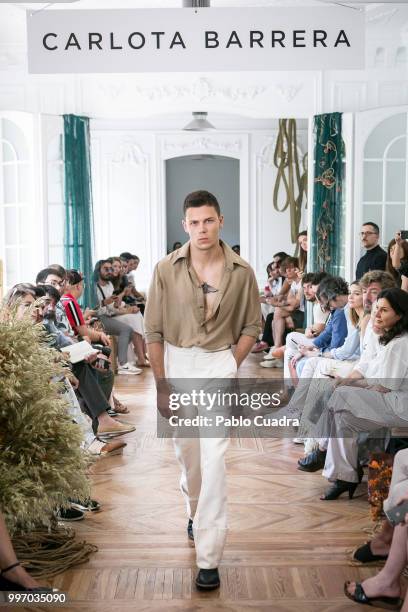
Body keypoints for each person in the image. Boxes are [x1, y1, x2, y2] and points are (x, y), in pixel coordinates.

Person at [144, 190, 261, 592]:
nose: (201, 229)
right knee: (189, 457)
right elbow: (153, 330)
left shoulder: (242, 271)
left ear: (220, 220)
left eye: (208, 220)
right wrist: (161, 386)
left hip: (217, 366)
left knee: (215, 459)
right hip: (176, 365)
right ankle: (194, 512)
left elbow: (252, 325)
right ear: (185, 226)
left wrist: (232, 362)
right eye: (194, 222)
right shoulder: (164, 269)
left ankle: (209, 557)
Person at [318, 287, 408, 501]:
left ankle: (321, 449)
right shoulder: (385, 336)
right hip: (386, 400)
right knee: (342, 419)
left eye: (384, 310)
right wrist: (347, 383)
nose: (377, 314)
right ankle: (345, 477)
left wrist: (349, 387)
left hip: (398, 405)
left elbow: (383, 387)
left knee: (338, 396)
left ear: (400, 315)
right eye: (377, 308)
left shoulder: (401, 343)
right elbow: (368, 367)